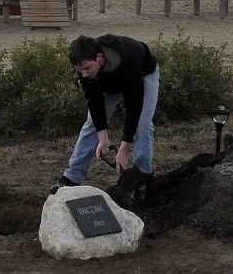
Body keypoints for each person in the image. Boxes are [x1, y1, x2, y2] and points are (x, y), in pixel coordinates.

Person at [53, 34, 159, 190]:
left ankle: (143, 176)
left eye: (86, 68)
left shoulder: (129, 57)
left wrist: (123, 150)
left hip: (143, 74)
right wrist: (103, 139)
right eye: (79, 70)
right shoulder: (84, 64)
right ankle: (71, 178)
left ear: (99, 57)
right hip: (108, 82)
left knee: (142, 125)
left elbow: (133, 107)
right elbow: (94, 102)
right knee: (91, 125)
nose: (84, 74)